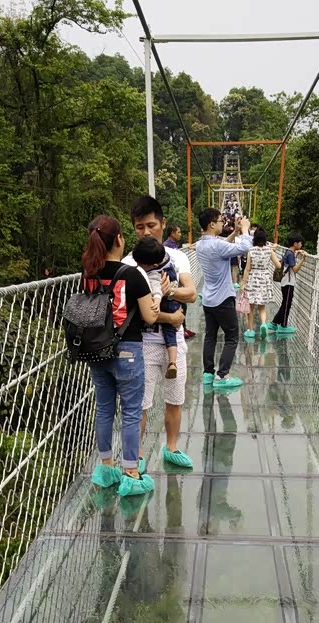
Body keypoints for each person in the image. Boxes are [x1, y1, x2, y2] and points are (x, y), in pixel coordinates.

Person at [81, 215, 159, 497]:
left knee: (103, 408)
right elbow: (150, 318)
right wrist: (156, 304)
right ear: (119, 240)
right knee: (130, 411)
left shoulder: (88, 274)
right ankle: (131, 472)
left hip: (96, 350)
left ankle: (106, 466)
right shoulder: (132, 275)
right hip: (127, 349)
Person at [123, 195, 197, 470]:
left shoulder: (177, 257)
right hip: (141, 342)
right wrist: (172, 316)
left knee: (175, 397)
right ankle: (137, 456)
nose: (146, 232)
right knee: (140, 404)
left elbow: (191, 293)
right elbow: (134, 308)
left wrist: (170, 291)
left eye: (151, 225)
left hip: (173, 341)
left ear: (163, 224)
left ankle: (172, 447)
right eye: (140, 227)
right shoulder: (129, 263)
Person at [194, 208, 253, 389]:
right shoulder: (217, 246)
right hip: (223, 299)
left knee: (210, 336)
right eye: (220, 221)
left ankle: (208, 374)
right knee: (232, 336)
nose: (223, 224)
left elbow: (222, 248)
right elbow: (244, 247)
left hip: (208, 299)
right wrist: (244, 230)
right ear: (212, 224)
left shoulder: (200, 245)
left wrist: (234, 233)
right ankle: (223, 375)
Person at [132, 236, 181, 380]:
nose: (139, 266)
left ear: (154, 265)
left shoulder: (154, 273)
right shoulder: (167, 258)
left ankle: (172, 362)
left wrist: (158, 300)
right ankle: (172, 362)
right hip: (174, 305)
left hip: (165, 305)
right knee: (171, 333)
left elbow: (158, 290)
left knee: (169, 330)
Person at [241, 227, 282, 339]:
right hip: (264, 279)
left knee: (250, 308)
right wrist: (274, 249)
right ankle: (263, 324)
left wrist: (243, 283)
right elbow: (278, 265)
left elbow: (247, 269)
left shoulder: (251, 251)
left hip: (253, 279)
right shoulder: (269, 251)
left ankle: (250, 331)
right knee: (262, 307)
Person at [272, 234, 307, 334]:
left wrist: (297, 253)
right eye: (300, 243)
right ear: (295, 244)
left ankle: (279, 323)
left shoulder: (289, 252)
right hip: (288, 283)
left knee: (285, 304)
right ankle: (279, 324)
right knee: (286, 304)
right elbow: (295, 269)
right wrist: (302, 259)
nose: (301, 244)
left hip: (286, 282)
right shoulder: (290, 254)